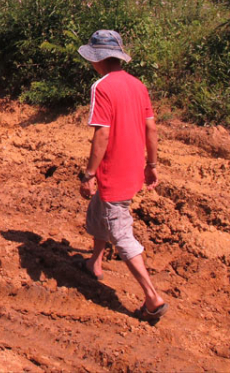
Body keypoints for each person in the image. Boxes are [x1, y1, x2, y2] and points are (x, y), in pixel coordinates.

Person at [76, 29, 168, 323]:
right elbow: (151, 128)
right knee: (98, 211)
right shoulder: (137, 85)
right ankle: (95, 261)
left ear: (98, 59)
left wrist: (89, 173)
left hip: (112, 172)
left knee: (121, 233)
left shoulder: (101, 87)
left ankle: (152, 298)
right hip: (131, 170)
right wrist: (151, 164)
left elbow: (102, 133)